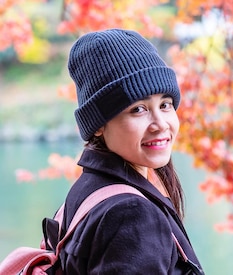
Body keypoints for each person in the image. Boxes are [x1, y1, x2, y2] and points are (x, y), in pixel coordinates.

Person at [54, 28, 204, 274]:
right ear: (99, 124)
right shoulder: (131, 215)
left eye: (165, 105)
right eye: (138, 109)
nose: (161, 124)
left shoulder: (88, 189)